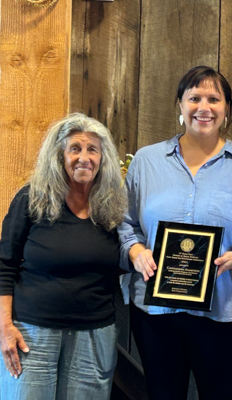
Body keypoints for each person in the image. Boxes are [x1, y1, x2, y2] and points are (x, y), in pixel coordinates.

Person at [118, 66, 232, 400]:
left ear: (227, 109)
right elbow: (124, 223)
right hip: (155, 313)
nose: (204, 107)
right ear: (180, 104)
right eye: (194, 98)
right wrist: (135, 251)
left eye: (214, 99)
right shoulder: (147, 162)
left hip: (223, 311)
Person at [0, 113, 127, 399]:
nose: (84, 157)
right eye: (75, 148)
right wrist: (4, 327)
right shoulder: (31, 199)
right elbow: (4, 265)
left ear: (103, 157)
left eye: (93, 149)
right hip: (32, 333)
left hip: (94, 334)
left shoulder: (114, 208)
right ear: (59, 155)